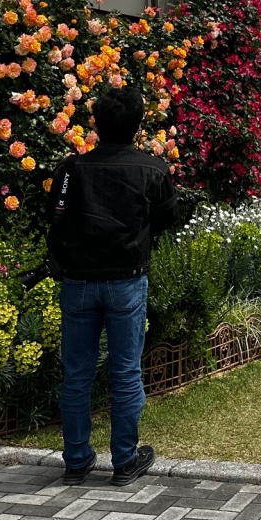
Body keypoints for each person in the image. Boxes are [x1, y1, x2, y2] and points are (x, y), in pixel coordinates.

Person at [48, 86, 178, 487]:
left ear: (96, 124)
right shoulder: (152, 170)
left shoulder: (71, 170)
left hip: (78, 283)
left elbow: (55, 220)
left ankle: (76, 459)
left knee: (77, 374)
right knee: (124, 372)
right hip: (125, 281)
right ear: (138, 125)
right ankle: (124, 460)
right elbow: (167, 219)